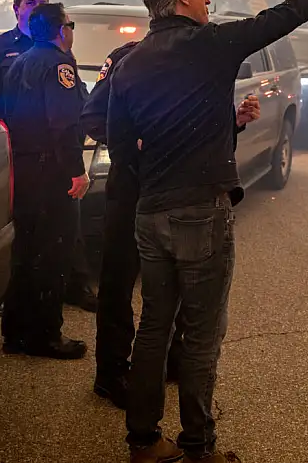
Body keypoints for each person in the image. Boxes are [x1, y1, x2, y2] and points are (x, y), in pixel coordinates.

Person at [107, 0, 308, 463]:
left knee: (153, 328)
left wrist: (221, 129)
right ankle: (199, 448)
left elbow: (123, 152)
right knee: (201, 336)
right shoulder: (212, 46)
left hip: (150, 213)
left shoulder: (127, 65)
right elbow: (287, 14)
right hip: (199, 214)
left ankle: (143, 442)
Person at [81, 37, 260, 410]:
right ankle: (111, 374)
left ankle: (173, 363)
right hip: (131, 189)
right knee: (118, 284)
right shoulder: (127, 58)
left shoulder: (199, 63)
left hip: (177, 194)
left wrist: (235, 121)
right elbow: (94, 116)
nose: (206, 7)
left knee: (178, 281)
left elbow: (199, 130)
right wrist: (134, 142)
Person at [0, 2, 92, 360]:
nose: (71, 31)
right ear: (60, 30)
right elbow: (64, 123)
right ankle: (45, 336)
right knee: (53, 253)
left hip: (22, 168)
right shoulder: (59, 64)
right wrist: (75, 170)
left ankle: (15, 332)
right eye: (70, 25)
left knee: (24, 252)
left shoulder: (20, 61)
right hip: (50, 170)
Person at [0, 0, 47, 117]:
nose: (38, 8)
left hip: (50, 130)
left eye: (43, 4)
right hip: (13, 127)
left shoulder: (55, 44)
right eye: (31, 3)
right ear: (16, 9)